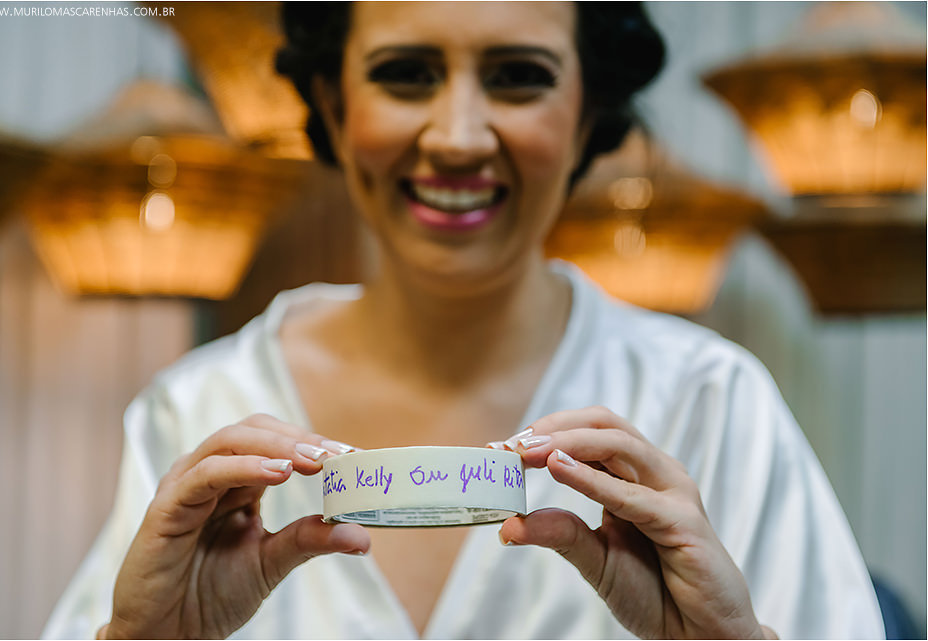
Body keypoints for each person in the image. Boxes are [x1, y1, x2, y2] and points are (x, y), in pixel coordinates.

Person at [44, 2, 885, 639]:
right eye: (405, 73)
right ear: (334, 106)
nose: (457, 137)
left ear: (591, 111)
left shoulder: (711, 401)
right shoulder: (196, 409)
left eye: (518, 75)